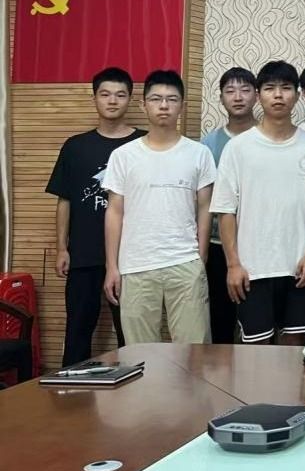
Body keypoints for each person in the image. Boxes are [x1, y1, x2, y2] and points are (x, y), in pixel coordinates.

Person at [210, 61, 305, 346]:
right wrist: (233, 264)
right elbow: (225, 211)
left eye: (285, 88)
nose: (278, 95)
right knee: (256, 352)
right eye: (270, 88)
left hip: (299, 268)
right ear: (259, 95)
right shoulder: (238, 148)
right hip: (253, 270)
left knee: (296, 350)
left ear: (297, 95)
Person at [102, 70, 216, 344]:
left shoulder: (199, 153)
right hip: (135, 266)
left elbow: (206, 208)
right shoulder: (123, 156)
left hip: (185, 263)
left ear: (182, 106)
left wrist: (200, 257)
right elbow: (114, 212)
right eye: (156, 99)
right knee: (139, 353)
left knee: (194, 350)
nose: (164, 105)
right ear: (143, 105)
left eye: (171, 99)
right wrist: (112, 266)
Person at [47, 67, 144, 366]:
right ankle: (70, 390)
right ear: (94, 98)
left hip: (131, 256)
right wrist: (62, 248)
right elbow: (65, 200)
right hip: (84, 255)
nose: (112, 101)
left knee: (132, 335)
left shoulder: (144, 144)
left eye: (120, 95)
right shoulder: (75, 147)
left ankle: (138, 390)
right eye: (105, 94)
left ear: (130, 99)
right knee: (77, 331)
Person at [200, 67, 256, 343]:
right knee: (220, 324)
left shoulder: (267, 137)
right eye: (230, 91)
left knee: (257, 327)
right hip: (218, 245)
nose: (238, 97)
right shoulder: (208, 144)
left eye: (245, 90)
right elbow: (202, 200)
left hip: (259, 245)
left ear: (256, 95)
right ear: (220, 97)